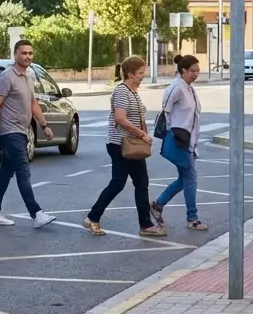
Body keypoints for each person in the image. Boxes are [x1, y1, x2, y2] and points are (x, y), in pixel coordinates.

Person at [84, 56, 165, 237]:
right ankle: (92, 217)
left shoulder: (132, 91)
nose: (143, 76)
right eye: (140, 73)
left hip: (132, 144)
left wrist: (143, 135)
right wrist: (142, 134)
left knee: (141, 183)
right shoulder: (121, 91)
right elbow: (120, 119)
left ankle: (145, 224)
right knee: (118, 184)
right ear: (130, 74)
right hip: (121, 144)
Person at [0, 40, 55, 229]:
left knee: (6, 172)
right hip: (9, 131)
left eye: (30, 53)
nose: (28, 56)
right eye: (24, 53)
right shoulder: (7, 76)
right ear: (15, 54)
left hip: (22, 131)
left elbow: (33, 103)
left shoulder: (30, 75)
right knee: (23, 170)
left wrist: (44, 125)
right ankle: (36, 213)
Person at [151, 54, 209, 232]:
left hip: (188, 141)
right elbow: (166, 110)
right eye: (193, 71)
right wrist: (173, 131)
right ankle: (192, 218)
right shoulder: (176, 87)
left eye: (198, 71)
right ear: (183, 71)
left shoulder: (189, 88)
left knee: (185, 179)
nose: (196, 74)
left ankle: (158, 204)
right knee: (190, 178)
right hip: (179, 140)